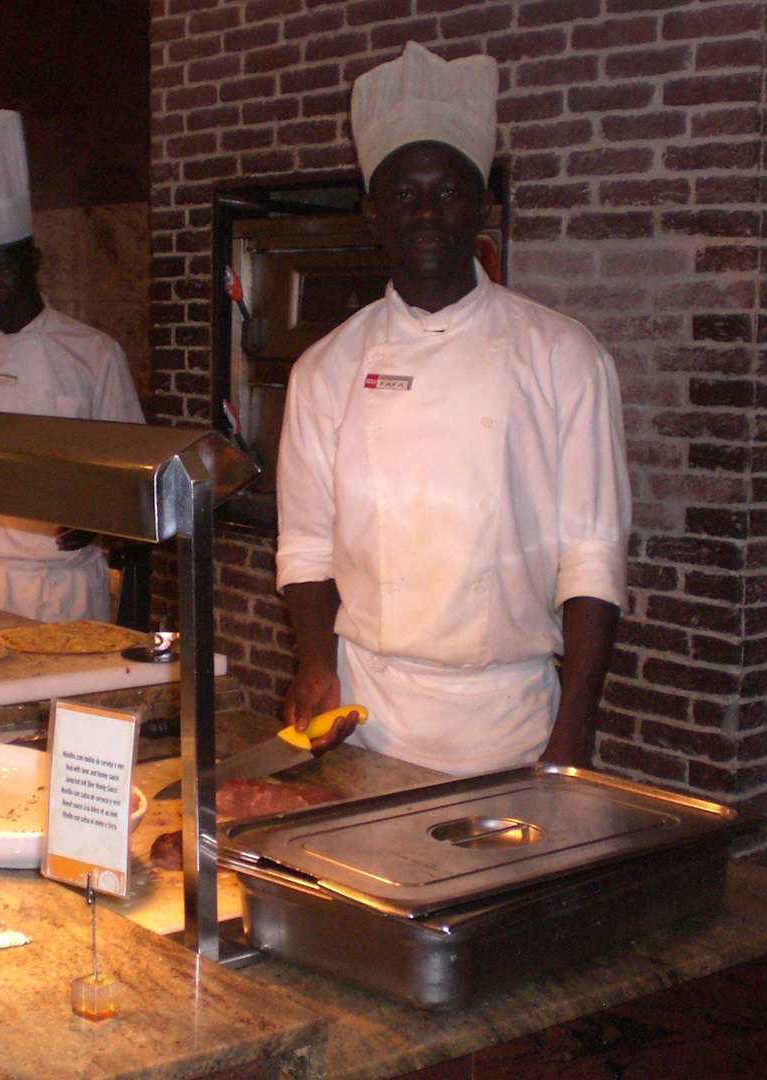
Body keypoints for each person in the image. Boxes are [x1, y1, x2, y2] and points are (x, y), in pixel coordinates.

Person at [276, 42, 631, 777]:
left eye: (449, 192)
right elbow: (306, 544)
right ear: (373, 210)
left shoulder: (563, 355)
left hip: (508, 723)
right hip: (366, 715)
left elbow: (593, 559)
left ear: (484, 204)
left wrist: (574, 734)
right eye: (404, 195)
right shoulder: (325, 369)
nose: (427, 215)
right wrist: (315, 663)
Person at [0, 109, 145, 623]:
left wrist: (100, 521)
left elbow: (131, 469)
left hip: (64, 582)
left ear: (34, 262)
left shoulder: (93, 352)